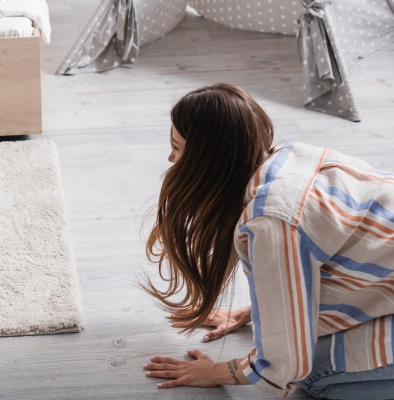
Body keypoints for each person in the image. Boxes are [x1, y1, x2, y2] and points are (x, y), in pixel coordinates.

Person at [140, 83, 394, 399]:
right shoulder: (293, 155)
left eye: (177, 147)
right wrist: (249, 313)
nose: (170, 157)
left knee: (314, 369)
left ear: (206, 161)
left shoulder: (270, 222)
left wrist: (214, 372)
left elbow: (283, 363)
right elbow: (321, 263)